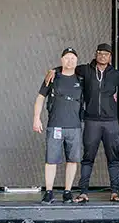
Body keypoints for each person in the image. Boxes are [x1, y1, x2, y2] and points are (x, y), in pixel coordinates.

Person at [42, 43, 119, 200]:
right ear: (95, 54)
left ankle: (115, 191)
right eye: (100, 53)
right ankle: (83, 192)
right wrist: (53, 70)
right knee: (87, 158)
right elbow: (68, 67)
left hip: (111, 122)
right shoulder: (85, 70)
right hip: (91, 120)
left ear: (110, 57)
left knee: (114, 158)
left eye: (106, 54)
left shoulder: (116, 75)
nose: (103, 56)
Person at [32, 47, 87, 203]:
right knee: (51, 160)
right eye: (67, 57)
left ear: (77, 61)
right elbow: (40, 98)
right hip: (55, 125)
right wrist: (36, 118)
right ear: (61, 60)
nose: (70, 60)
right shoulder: (53, 77)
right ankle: (49, 192)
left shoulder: (81, 79)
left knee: (73, 160)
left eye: (73, 58)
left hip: (74, 126)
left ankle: (67, 192)